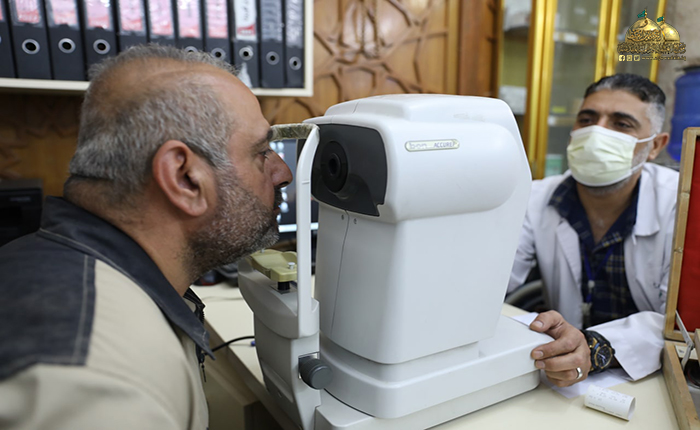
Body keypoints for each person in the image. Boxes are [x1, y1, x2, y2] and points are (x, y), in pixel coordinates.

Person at [0, 45, 293, 429]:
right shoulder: (103, 390)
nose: (283, 172)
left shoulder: (41, 259)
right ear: (185, 179)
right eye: (262, 152)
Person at [509, 74, 678, 388]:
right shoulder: (537, 198)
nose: (597, 133)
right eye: (587, 120)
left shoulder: (682, 206)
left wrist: (595, 347)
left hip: (654, 379)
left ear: (655, 145)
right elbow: (494, 278)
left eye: (621, 124)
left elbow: (678, 322)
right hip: (561, 378)